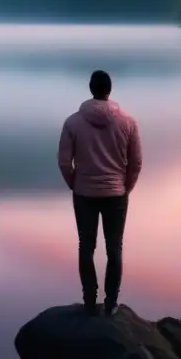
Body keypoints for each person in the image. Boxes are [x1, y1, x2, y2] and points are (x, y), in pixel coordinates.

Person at [57, 69, 143, 317]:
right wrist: (127, 186)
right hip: (116, 193)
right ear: (109, 90)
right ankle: (111, 302)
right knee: (114, 248)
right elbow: (136, 162)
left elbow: (64, 161)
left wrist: (74, 183)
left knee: (86, 246)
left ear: (90, 89)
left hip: (84, 192)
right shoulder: (128, 122)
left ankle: (89, 300)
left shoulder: (72, 122)